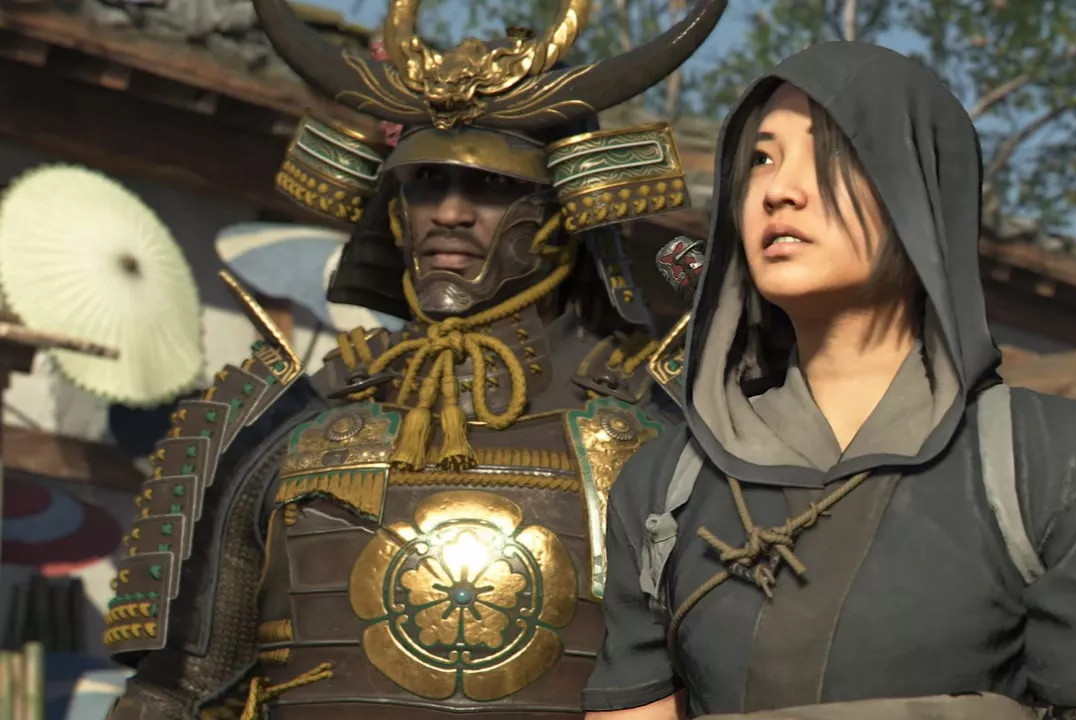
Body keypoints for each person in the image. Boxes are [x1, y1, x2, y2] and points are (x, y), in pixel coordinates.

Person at [100, 1, 725, 718]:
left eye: (491, 186)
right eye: (426, 183)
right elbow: (176, 691)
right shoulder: (288, 425)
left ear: (565, 207)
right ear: (394, 209)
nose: (448, 213)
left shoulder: (661, 433)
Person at [583, 42, 1076, 720]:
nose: (779, 190)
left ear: (917, 191)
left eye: (831, 154)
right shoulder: (666, 484)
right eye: (761, 159)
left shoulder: (1051, 462)